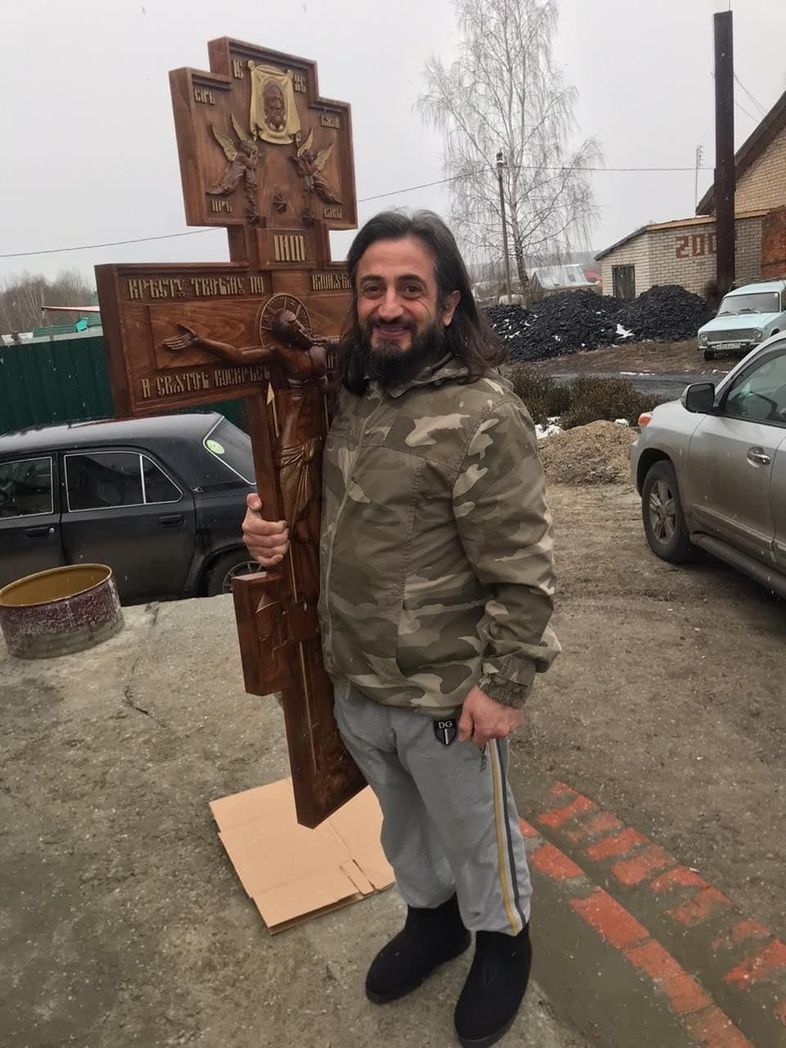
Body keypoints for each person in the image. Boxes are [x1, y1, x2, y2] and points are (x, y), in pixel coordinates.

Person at [242, 210, 559, 1047]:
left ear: (448, 303)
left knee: (476, 833)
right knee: (403, 826)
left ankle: (503, 939)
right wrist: (264, 524)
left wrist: (503, 687)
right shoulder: (349, 394)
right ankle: (433, 919)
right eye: (372, 288)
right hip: (356, 682)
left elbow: (524, 571)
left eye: (410, 288)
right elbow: (302, 496)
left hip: (446, 695)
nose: (388, 306)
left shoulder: (483, 415)